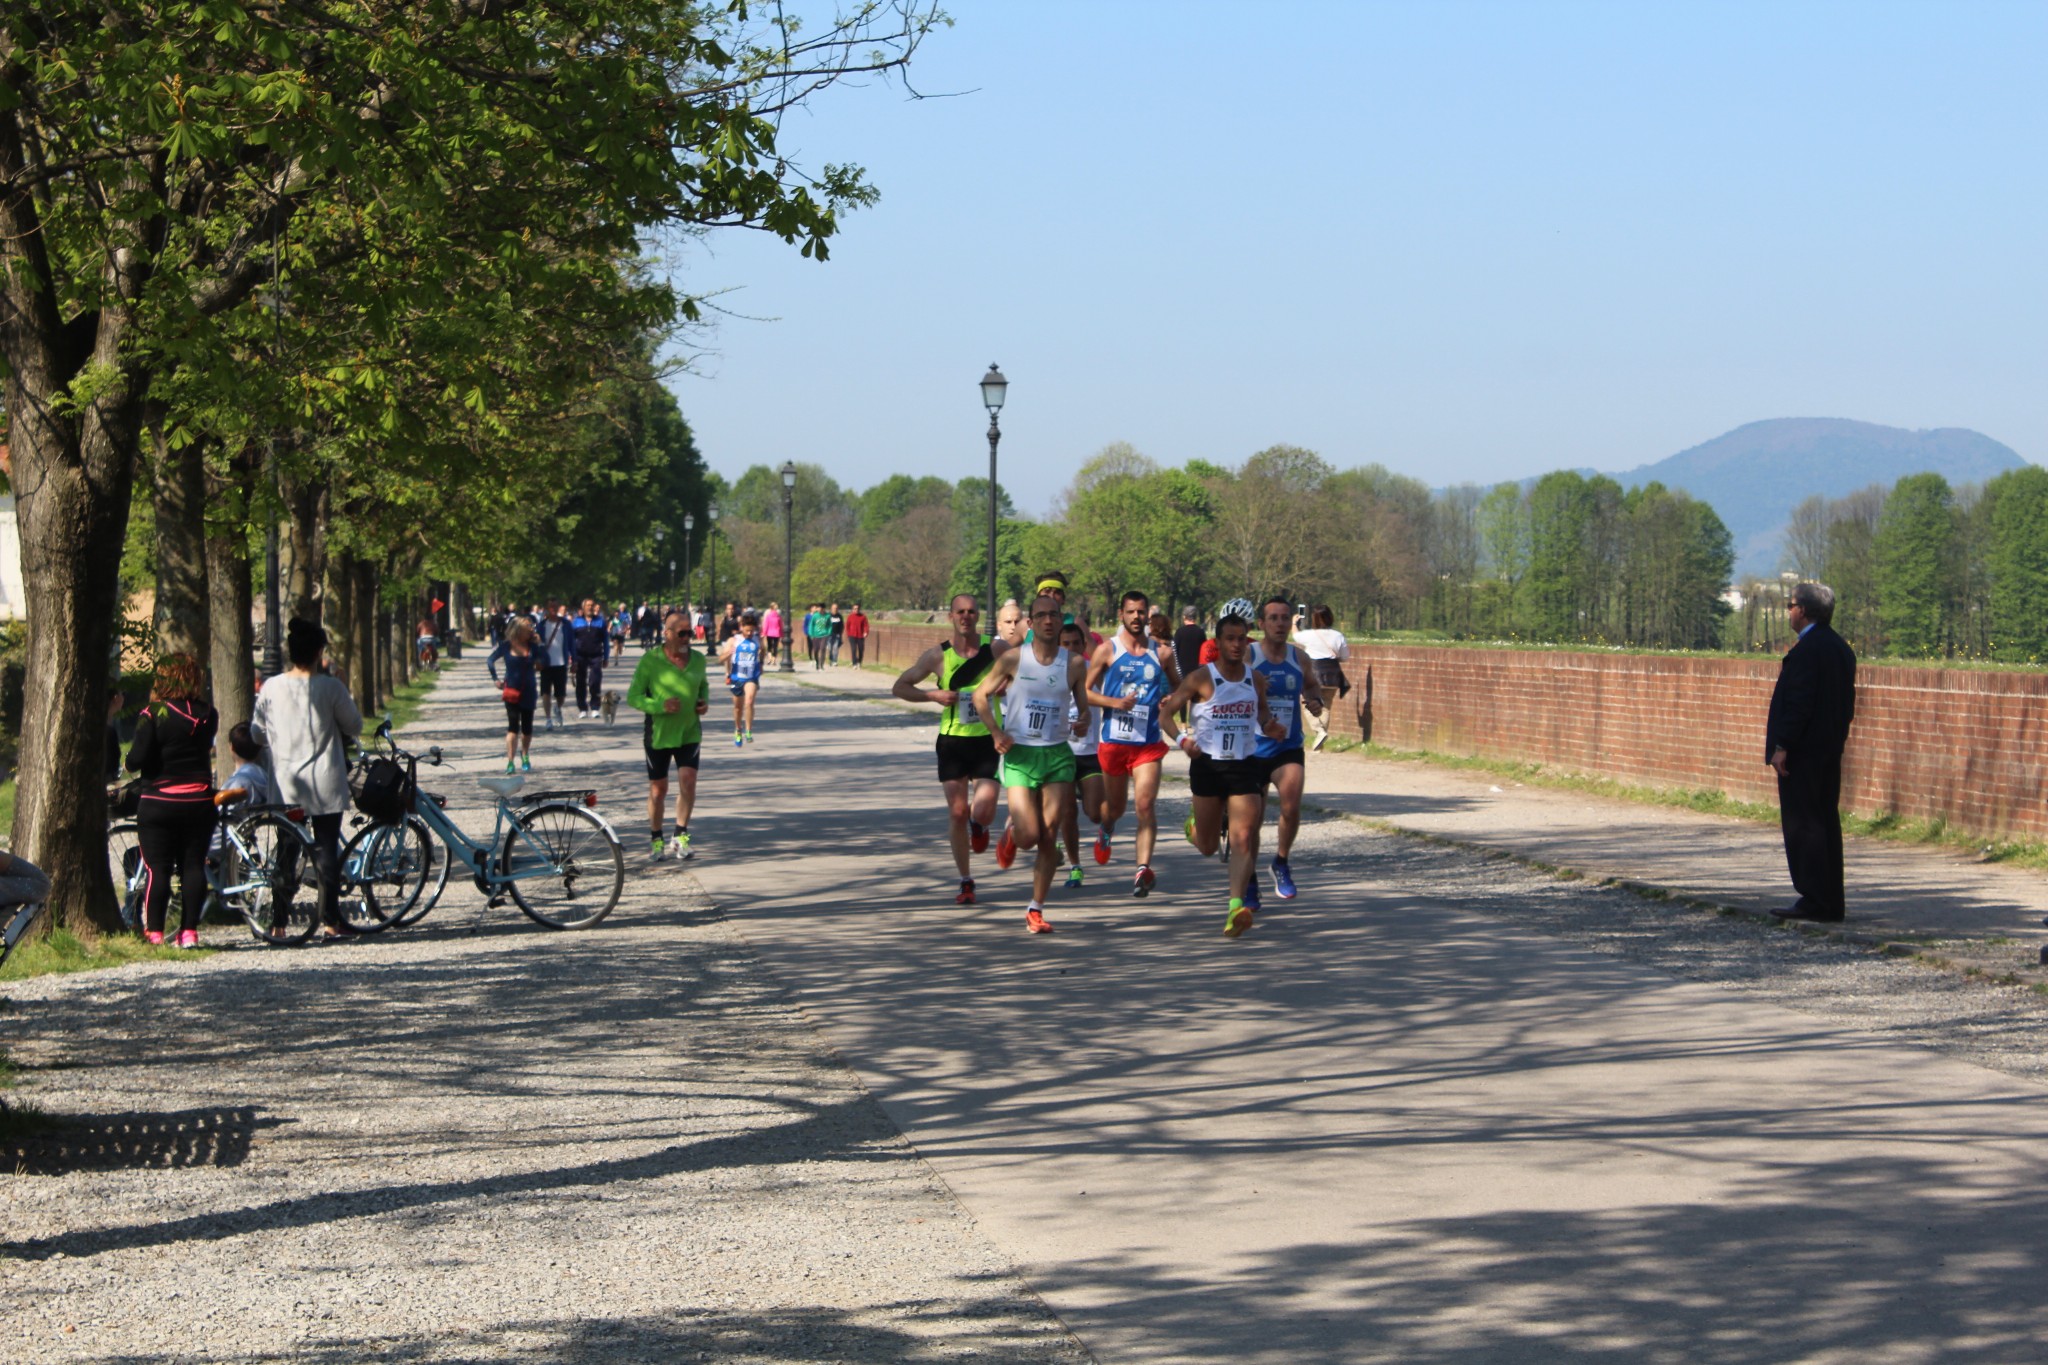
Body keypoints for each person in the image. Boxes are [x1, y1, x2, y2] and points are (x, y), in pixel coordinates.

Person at [1160, 606, 1287, 938]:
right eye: (1230, 639)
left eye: (1241, 639)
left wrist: (1272, 727)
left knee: (1244, 837)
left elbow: (1262, 715)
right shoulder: (1201, 678)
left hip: (1244, 765)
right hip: (1207, 765)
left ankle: (1236, 907)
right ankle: (1195, 825)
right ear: (1218, 642)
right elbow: (1167, 716)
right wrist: (1183, 740)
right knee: (1205, 845)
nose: (1236, 645)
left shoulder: (1254, 679)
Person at [973, 595, 1089, 935]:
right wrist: (995, 731)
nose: (1048, 621)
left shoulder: (1075, 664)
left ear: (1060, 619)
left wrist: (1082, 721)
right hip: (1020, 754)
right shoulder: (1012, 659)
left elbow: (1082, 708)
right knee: (1029, 835)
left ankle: (1035, 908)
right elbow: (981, 695)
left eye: (1054, 615)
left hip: (1056, 756)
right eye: (1041, 616)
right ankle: (1011, 833)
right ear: (1031, 622)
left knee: (1049, 836)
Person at [892, 594, 1007, 905]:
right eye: (960, 612)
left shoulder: (995, 649)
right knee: (957, 812)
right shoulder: (938, 656)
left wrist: (1006, 684)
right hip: (953, 741)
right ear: (951, 617)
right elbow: (900, 686)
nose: (966, 617)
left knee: (982, 809)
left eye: (971, 612)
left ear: (978, 615)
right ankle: (966, 880)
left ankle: (979, 825)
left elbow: (1023, 671)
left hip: (986, 738)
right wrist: (933, 695)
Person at [252, 619, 363, 941]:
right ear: (319, 652)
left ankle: (279, 921)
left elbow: (258, 733)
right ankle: (330, 920)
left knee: (287, 852)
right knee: (326, 850)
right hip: (324, 780)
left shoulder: (272, 687)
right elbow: (353, 726)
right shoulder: (330, 687)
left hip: (287, 783)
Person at [1766, 581, 1857, 923]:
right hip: (1829, 748)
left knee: (1803, 824)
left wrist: (1782, 745)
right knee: (1825, 821)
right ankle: (1831, 899)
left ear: (1803, 610)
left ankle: (1814, 898)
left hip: (1803, 753)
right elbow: (1846, 704)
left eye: (1790, 605)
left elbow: (1799, 704)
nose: (1788, 611)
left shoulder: (1808, 650)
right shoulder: (1840, 648)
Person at [1084, 589, 1182, 898]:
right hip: (1114, 741)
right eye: (1131, 612)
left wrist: (1169, 699)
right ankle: (1107, 828)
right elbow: (1084, 691)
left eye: (1142, 612)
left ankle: (1142, 869)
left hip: (1147, 743)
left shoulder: (1162, 653)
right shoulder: (1108, 651)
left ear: (1148, 617)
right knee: (1114, 808)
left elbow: (1181, 689)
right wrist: (1114, 702)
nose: (1137, 617)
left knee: (1144, 804)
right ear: (1121, 616)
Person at [127, 652, 219, 948]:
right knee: (193, 865)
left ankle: (154, 932)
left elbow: (137, 759)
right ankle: (189, 932)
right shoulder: (208, 714)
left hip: (159, 802)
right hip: (199, 801)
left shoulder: (153, 713)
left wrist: (131, 761)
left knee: (159, 869)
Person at [1251, 595, 1326, 901]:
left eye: (1285, 618)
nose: (1280, 624)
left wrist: (1315, 700)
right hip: (1253, 748)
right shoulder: (1249, 656)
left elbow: (1311, 684)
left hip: (1288, 745)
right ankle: (1248, 876)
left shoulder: (1300, 658)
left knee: (1291, 805)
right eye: (1273, 618)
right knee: (1251, 820)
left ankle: (1281, 862)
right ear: (1262, 624)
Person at [626, 609, 710, 861]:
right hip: (659, 734)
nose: (688, 638)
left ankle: (681, 837)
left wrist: (702, 702)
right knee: (658, 790)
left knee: (688, 781)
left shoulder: (698, 660)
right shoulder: (650, 661)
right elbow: (634, 697)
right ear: (668, 634)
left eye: (691, 632)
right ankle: (656, 839)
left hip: (689, 732)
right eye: (682, 633)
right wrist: (659, 706)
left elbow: (702, 686)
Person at [1058, 621, 1107, 891]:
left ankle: (1105, 831)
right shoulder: (1050, 674)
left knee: (1095, 813)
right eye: (1065, 644)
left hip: (1090, 752)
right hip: (1062, 753)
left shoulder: (1092, 672)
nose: (1072, 648)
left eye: (1077, 643)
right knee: (1067, 813)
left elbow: (1105, 696)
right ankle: (1076, 866)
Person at [1292, 604, 1349, 751]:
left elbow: (1295, 636)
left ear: (1314, 619)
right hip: (1333, 675)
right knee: (1326, 707)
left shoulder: (1310, 635)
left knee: (1307, 704)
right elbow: (1345, 657)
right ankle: (1320, 744)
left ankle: (1319, 730)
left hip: (1314, 674)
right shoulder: (1338, 636)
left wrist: (1294, 623)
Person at [487, 617, 541, 772]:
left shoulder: (533, 647)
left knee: (527, 727)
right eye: (528, 627)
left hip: (529, 690)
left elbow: (542, 664)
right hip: (511, 690)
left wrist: (540, 645)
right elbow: (490, 661)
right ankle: (510, 761)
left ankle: (525, 754)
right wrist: (495, 679)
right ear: (518, 630)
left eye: (531, 627)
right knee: (512, 727)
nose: (531, 629)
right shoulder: (506, 646)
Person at [719, 611, 764, 746]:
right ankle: (738, 729)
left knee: (749, 701)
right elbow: (720, 659)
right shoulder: (733, 641)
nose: (750, 633)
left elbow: (763, 651)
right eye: (747, 630)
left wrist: (761, 664)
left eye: (752, 630)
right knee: (738, 707)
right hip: (737, 677)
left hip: (752, 676)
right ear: (741, 627)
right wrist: (728, 653)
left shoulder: (758, 640)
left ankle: (748, 730)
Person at [570, 596, 609, 719]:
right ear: (583, 608)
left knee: (595, 681)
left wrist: (606, 657)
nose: (590, 608)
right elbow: (571, 641)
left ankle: (595, 707)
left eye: (592, 605)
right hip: (580, 656)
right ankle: (582, 708)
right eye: (588, 605)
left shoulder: (600, 621)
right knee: (581, 682)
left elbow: (606, 641)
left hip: (596, 656)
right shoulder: (576, 622)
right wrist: (572, 658)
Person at [536, 599, 571, 729]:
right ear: (547, 608)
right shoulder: (542, 625)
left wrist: (574, 660)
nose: (553, 609)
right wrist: (537, 659)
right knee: (545, 692)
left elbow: (571, 643)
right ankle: (548, 719)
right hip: (546, 664)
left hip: (561, 663)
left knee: (560, 694)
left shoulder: (565, 624)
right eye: (551, 606)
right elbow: (536, 645)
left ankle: (557, 707)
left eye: (555, 606)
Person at [1172, 605, 1207, 682]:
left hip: (1182, 672)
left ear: (1184, 617)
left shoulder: (1179, 632)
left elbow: (1174, 651)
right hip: (1197, 672)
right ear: (1196, 617)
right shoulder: (1200, 632)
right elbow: (1205, 651)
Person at [805, 602, 830, 670]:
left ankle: (821, 664)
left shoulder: (827, 616)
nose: (819, 609)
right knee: (816, 650)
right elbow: (811, 625)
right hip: (816, 635)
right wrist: (811, 633)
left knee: (822, 649)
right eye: (818, 608)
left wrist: (828, 632)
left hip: (824, 635)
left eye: (821, 608)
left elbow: (829, 625)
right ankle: (817, 662)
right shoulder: (815, 616)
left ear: (824, 609)